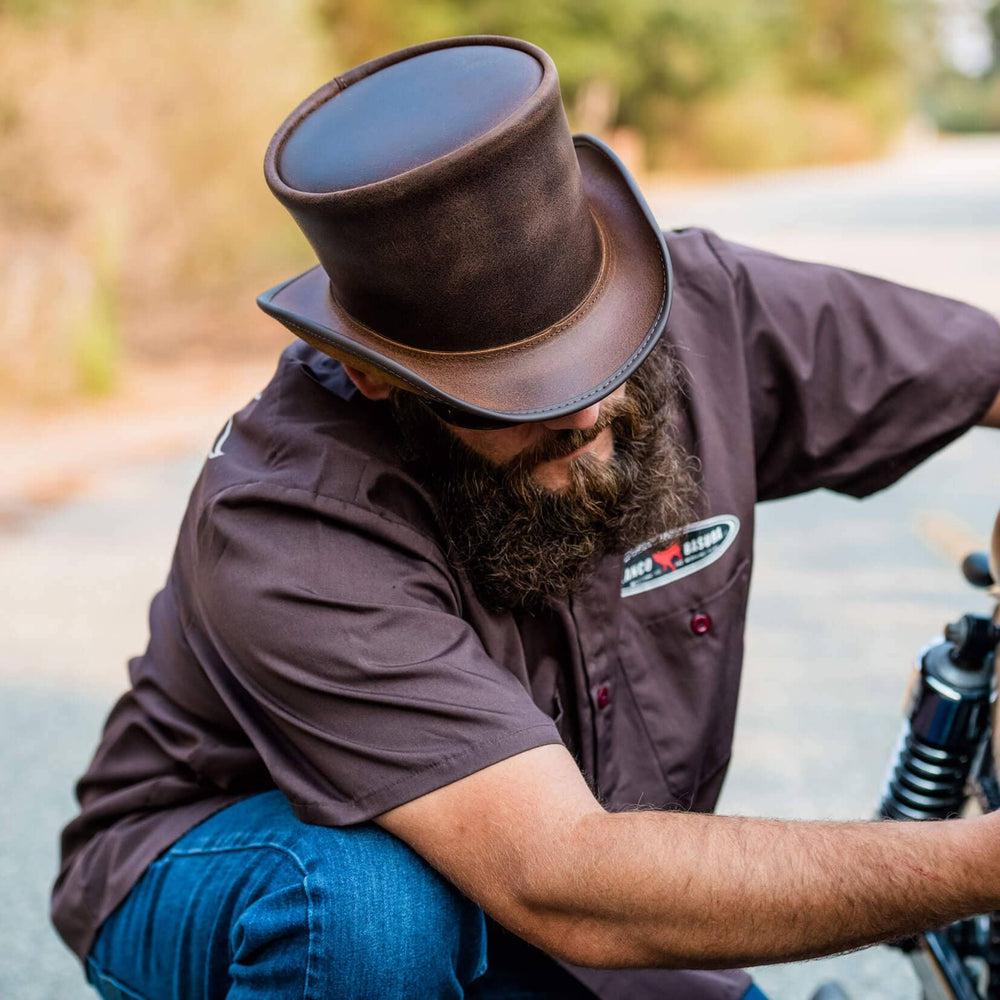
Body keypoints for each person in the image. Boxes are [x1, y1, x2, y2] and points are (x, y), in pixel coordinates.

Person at [52, 34, 1000, 1000]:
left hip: (556, 895)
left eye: (604, 346)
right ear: (377, 373)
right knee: (368, 905)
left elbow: (987, 367)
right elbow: (559, 877)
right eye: (518, 391)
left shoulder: (703, 302)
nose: (588, 412)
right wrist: (982, 865)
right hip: (246, 879)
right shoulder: (287, 523)